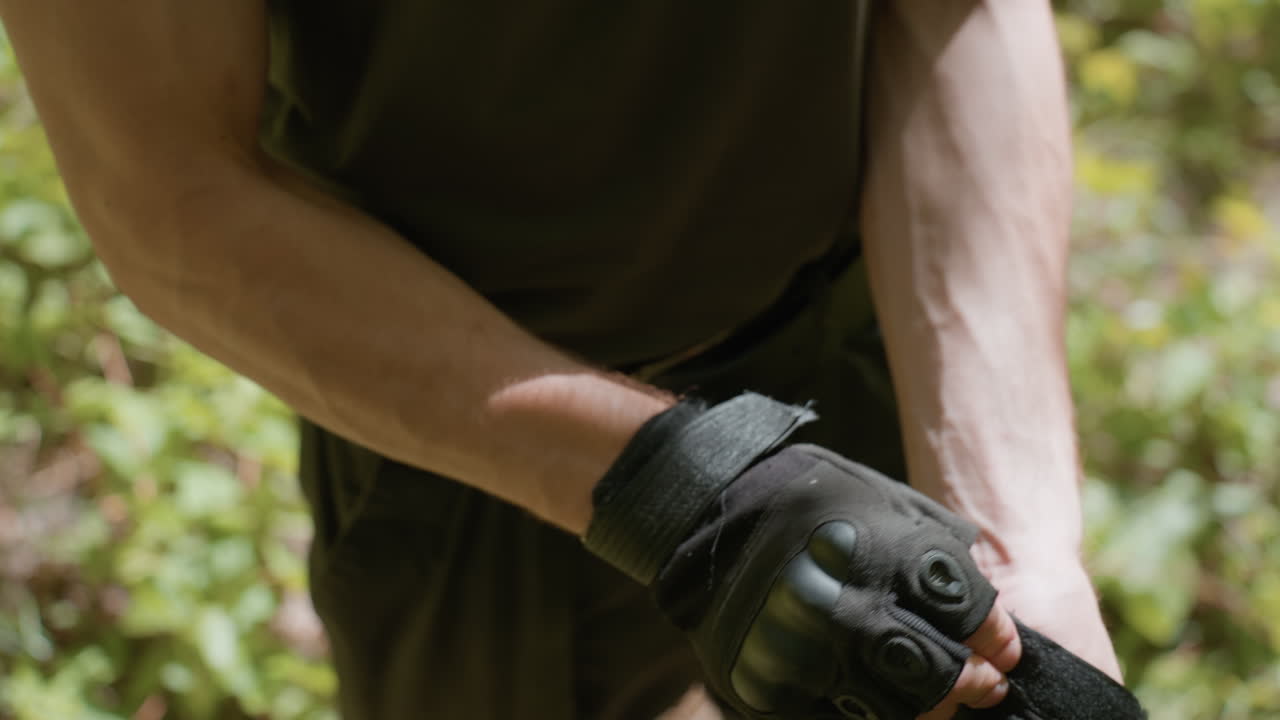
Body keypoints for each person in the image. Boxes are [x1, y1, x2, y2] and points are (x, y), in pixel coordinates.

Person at [0, 0, 1132, 718]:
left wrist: (1014, 541)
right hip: (462, 444)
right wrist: (678, 493)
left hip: (855, 329)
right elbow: (168, 187)